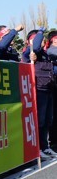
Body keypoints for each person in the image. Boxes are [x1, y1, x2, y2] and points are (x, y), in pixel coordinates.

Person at [21, 29, 57, 159]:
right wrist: (40, 33)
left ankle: (45, 147)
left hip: (48, 89)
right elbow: (34, 47)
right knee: (40, 121)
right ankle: (38, 148)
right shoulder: (29, 53)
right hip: (39, 90)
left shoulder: (45, 54)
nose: (41, 41)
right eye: (38, 39)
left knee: (48, 120)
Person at [46, 30, 57, 150]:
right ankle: (54, 141)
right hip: (53, 85)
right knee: (53, 114)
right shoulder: (51, 50)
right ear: (54, 39)